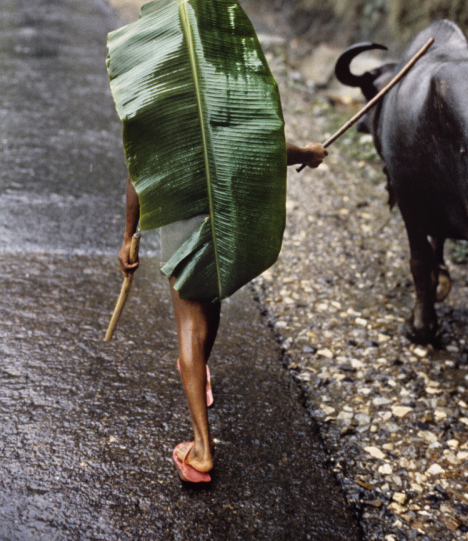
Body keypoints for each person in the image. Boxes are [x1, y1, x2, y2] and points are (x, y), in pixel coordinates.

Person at [118, 140, 327, 483]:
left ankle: (201, 450)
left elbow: (136, 172)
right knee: (209, 308)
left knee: (189, 326)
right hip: (226, 221)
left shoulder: (160, 96)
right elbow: (260, 144)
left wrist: (128, 235)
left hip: (183, 221)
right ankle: (197, 366)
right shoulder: (223, 88)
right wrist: (307, 153)